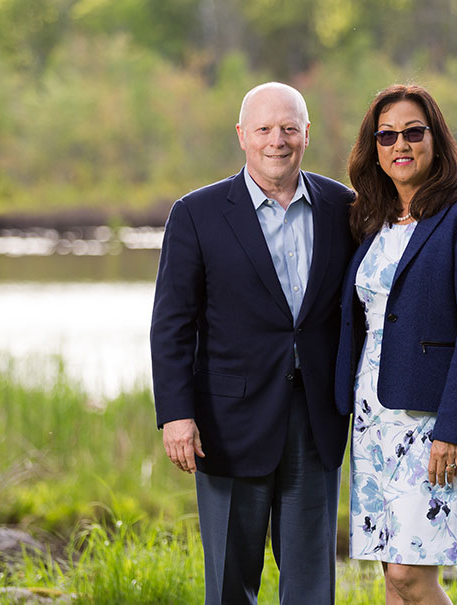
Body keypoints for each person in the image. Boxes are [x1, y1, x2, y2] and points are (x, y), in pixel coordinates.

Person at [150, 82, 355, 605]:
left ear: (307, 133)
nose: (277, 141)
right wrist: (176, 414)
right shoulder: (196, 214)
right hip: (226, 422)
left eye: (289, 128)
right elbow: (172, 323)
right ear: (242, 136)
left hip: (315, 418)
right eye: (264, 128)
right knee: (230, 582)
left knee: (311, 583)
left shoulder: (343, 207)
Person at [334, 84, 457, 604]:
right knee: (392, 577)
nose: (400, 144)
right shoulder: (374, 223)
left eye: (413, 132)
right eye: (387, 135)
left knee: (413, 577)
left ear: (437, 140)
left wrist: (452, 429)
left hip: (432, 422)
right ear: (375, 147)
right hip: (372, 416)